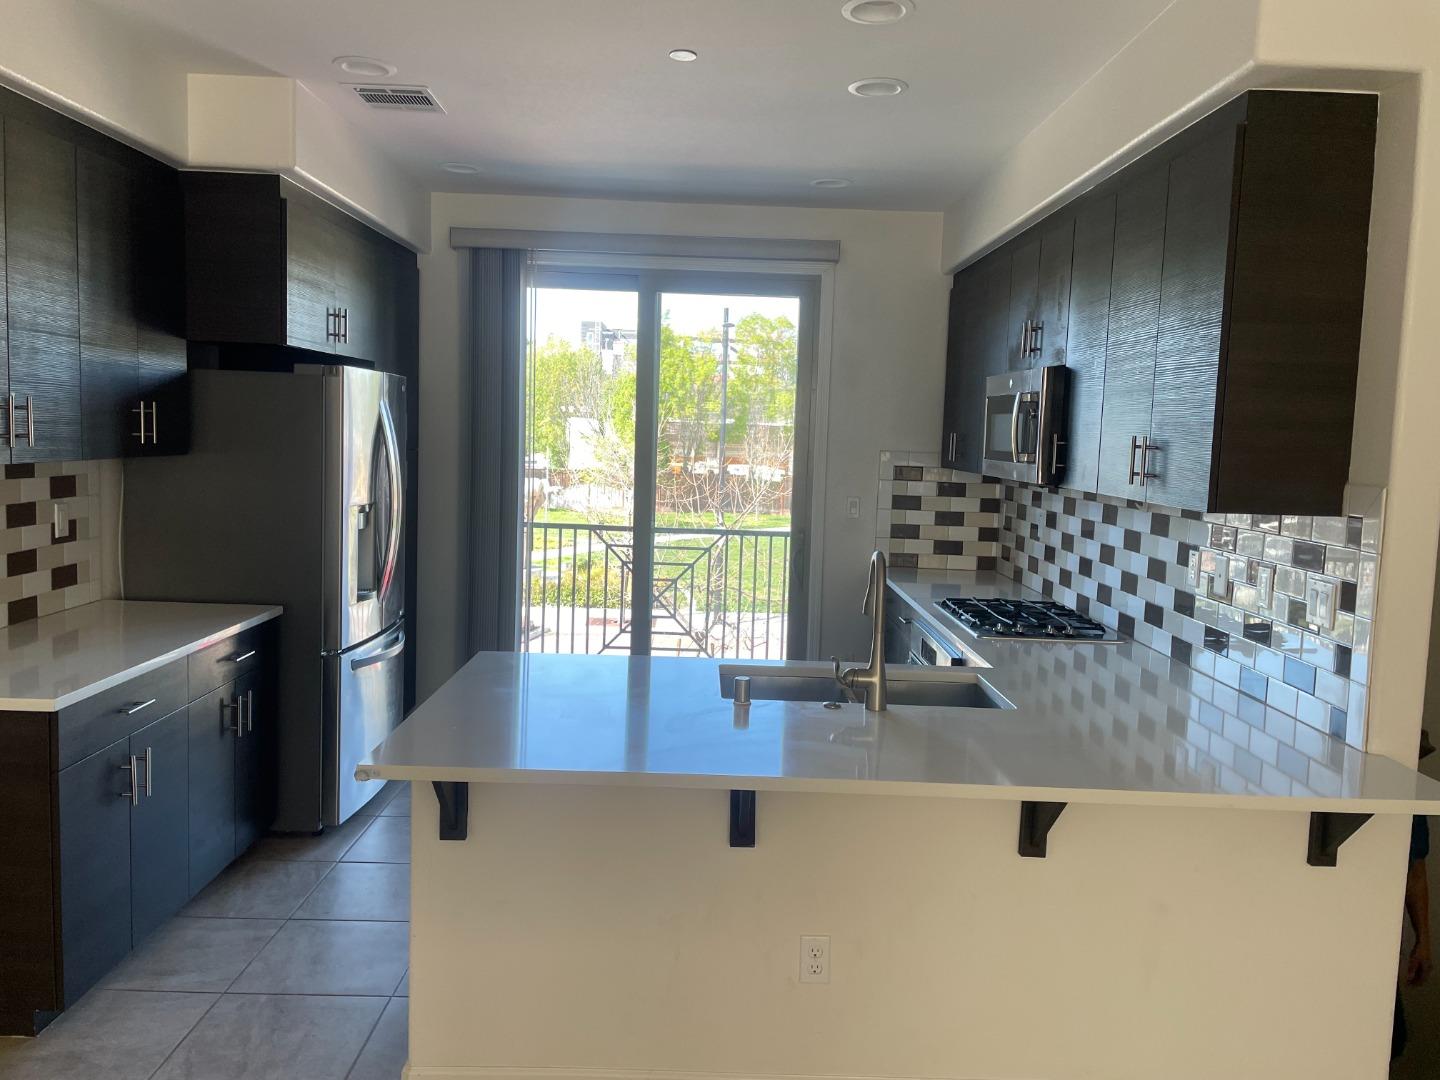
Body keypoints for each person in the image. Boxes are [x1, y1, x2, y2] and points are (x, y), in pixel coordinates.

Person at [1393, 730, 1435, 1061]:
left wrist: (1423, 941)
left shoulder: (1408, 796)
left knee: (1390, 1041)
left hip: (1376, 933)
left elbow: (1415, 868)